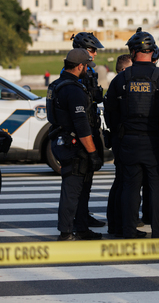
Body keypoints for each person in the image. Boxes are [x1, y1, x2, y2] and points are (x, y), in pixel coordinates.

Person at [104, 28, 159, 239]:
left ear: (133, 52)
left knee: (130, 189)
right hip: (155, 142)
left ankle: (128, 230)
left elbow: (110, 113)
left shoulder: (121, 79)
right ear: (152, 52)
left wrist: (119, 133)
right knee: (157, 189)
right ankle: (158, 231)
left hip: (129, 141)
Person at [47, 49, 103, 241]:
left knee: (81, 188)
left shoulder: (56, 84)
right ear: (80, 66)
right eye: (86, 66)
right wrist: (93, 152)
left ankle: (81, 228)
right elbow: (82, 126)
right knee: (72, 190)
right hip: (74, 146)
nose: (87, 70)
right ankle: (66, 232)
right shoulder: (74, 90)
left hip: (61, 139)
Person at [71, 32, 106, 229]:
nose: (94, 54)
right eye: (91, 50)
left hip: (92, 125)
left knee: (88, 178)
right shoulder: (76, 72)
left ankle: (84, 214)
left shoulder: (90, 71)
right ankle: (79, 219)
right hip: (82, 129)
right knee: (80, 178)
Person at [105, 54, 133, 236]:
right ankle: (119, 224)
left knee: (121, 182)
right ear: (124, 70)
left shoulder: (115, 85)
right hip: (121, 138)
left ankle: (116, 223)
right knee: (123, 183)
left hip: (118, 137)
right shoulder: (119, 85)